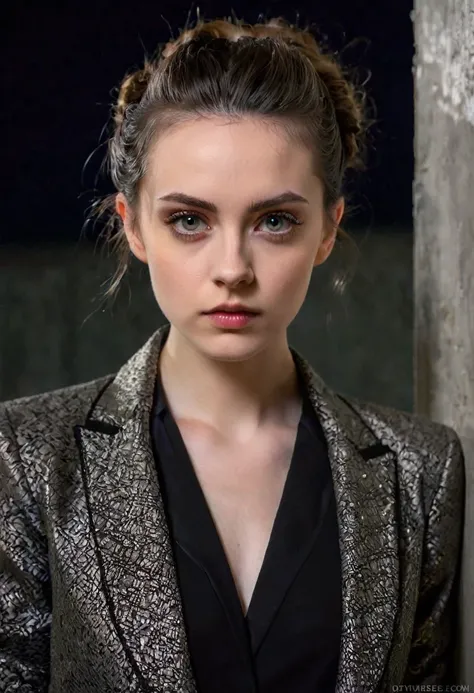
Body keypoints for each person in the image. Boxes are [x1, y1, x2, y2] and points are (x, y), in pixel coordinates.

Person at [0, 14, 465, 693]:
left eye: (274, 220)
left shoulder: (419, 473)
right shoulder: (31, 458)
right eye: (189, 220)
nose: (232, 267)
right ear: (133, 227)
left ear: (328, 229)